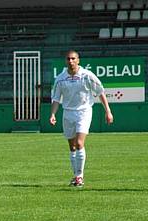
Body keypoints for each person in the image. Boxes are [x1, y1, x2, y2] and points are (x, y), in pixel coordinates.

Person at [49, 50, 114, 187]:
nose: (71, 61)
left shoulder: (87, 76)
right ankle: (75, 175)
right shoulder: (60, 78)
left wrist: (108, 111)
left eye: (73, 59)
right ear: (65, 61)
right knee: (72, 147)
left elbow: (100, 92)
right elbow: (56, 98)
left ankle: (80, 176)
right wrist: (53, 114)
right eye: (68, 59)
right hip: (68, 113)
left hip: (84, 112)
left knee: (79, 143)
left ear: (78, 60)